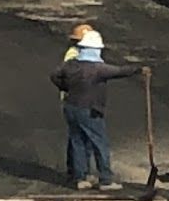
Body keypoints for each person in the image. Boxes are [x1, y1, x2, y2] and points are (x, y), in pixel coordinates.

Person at [50, 29, 149, 191]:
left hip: (71, 107)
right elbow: (119, 71)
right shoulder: (97, 69)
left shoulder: (71, 65)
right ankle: (105, 179)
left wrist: (65, 87)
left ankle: (80, 178)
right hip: (90, 109)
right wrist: (139, 70)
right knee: (100, 143)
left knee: (78, 142)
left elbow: (54, 75)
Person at [61, 24, 94, 181]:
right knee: (81, 138)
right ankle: (79, 173)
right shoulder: (75, 55)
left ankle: (76, 170)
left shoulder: (78, 53)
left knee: (78, 137)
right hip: (77, 100)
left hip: (77, 99)